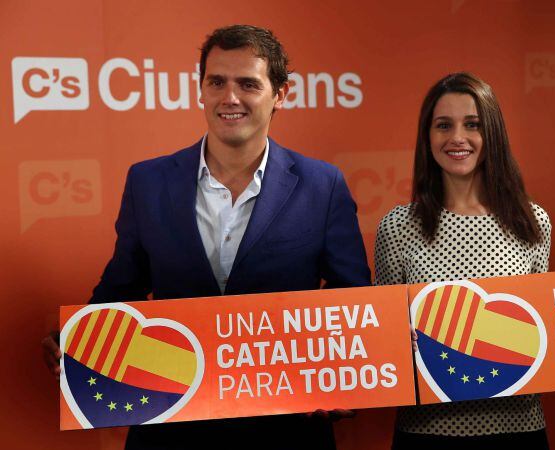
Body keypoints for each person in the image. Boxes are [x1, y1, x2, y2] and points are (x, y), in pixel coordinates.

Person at [42, 25, 370, 450]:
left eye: (248, 84)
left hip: (287, 428)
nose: (229, 98)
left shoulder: (322, 185)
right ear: (200, 90)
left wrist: (347, 378)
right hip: (172, 422)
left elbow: (352, 299)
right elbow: (123, 287)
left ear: (281, 94)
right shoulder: (148, 181)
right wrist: (78, 338)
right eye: (217, 82)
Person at [374, 72, 551, 450]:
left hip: (519, 429)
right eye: (443, 125)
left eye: (472, 125)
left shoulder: (533, 222)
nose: (457, 138)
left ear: (493, 135)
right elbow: (381, 337)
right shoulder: (397, 226)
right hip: (425, 433)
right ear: (428, 137)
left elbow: (544, 333)